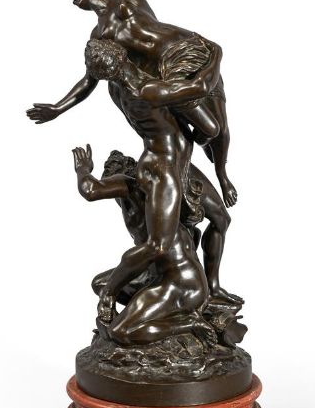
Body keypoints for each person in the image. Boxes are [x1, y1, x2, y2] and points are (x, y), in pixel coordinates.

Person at [26, 0, 237, 208]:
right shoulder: (100, 37)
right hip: (167, 75)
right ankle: (187, 167)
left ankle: (221, 175)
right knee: (209, 128)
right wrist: (58, 108)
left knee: (221, 130)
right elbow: (89, 81)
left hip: (186, 50)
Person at [78, 38, 222, 312]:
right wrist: (216, 54)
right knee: (158, 244)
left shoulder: (117, 90)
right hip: (162, 170)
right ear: (121, 55)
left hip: (166, 166)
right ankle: (110, 292)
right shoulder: (148, 90)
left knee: (203, 225)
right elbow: (202, 92)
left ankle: (187, 288)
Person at [72, 145, 217, 346]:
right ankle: (142, 318)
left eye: (110, 179)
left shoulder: (133, 187)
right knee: (100, 284)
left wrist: (83, 169)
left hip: (181, 283)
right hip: (159, 275)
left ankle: (188, 324)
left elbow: (90, 190)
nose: (110, 185)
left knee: (120, 332)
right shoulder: (145, 201)